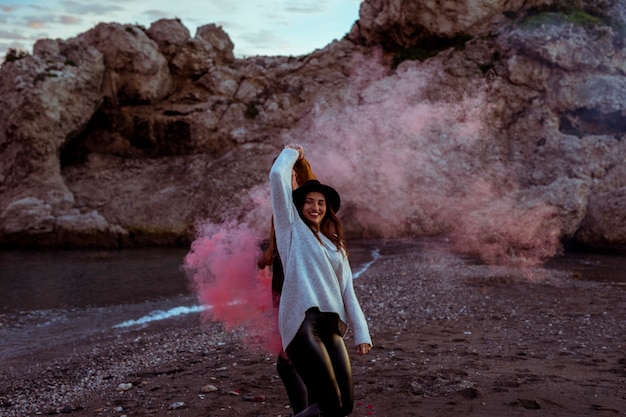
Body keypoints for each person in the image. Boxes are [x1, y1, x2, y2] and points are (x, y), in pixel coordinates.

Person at [269, 144, 372, 417]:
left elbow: (348, 290)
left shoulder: (335, 246)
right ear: (299, 205)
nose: (315, 207)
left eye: (321, 203)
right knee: (329, 405)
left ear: (327, 209)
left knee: (344, 407)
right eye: (309, 201)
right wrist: (293, 153)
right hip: (303, 325)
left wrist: (362, 333)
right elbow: (277, 175)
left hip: (331, 327)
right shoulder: (290, 230)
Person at [259, 155, 318, 414]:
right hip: (282, 289)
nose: (284, 179)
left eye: (289, 174)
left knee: (291, 360)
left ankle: (307, 412)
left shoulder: (308, 207)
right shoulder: (280, 210)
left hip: (300, 291)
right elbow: (275, 251)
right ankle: (313, 410)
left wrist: (300, 162)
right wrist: (261, 260)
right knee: (298, 356)